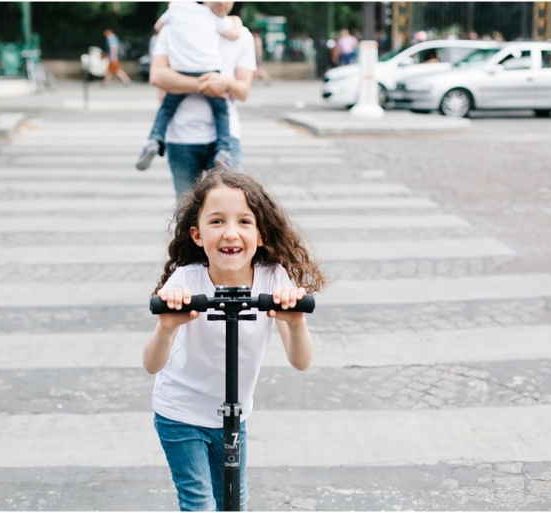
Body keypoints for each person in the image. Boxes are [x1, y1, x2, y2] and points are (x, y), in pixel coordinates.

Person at [143, 168, 326, 511]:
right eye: (217, 222)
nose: (230, 233)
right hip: (180, 413)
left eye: (244, 221)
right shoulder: (184, 281)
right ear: (197, 235)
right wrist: (167, 326)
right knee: (198, 504)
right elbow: (151, 364)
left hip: (234, 416)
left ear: (260, 236)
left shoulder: (274, 279)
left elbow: (301, 361)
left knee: (234, 503)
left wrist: (295, 321)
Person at [149, 1, 256, 199]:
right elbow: (156, 76)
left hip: (226, 136)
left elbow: (243, 91)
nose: (221, 1)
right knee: (186, 212)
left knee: (231, 205)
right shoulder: (174, 28)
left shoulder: (242, 36)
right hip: (182, 136)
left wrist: (224, 82)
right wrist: (204, 84)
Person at [136, 3, 245, 172]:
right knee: (221, 112)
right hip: (209, 71)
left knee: (166, 108)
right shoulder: (210, 16)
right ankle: (223, 150)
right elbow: (234, 33)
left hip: (181, 71)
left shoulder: (173, 11)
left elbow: (157, 26)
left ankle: (154, 139)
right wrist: (237, 21)